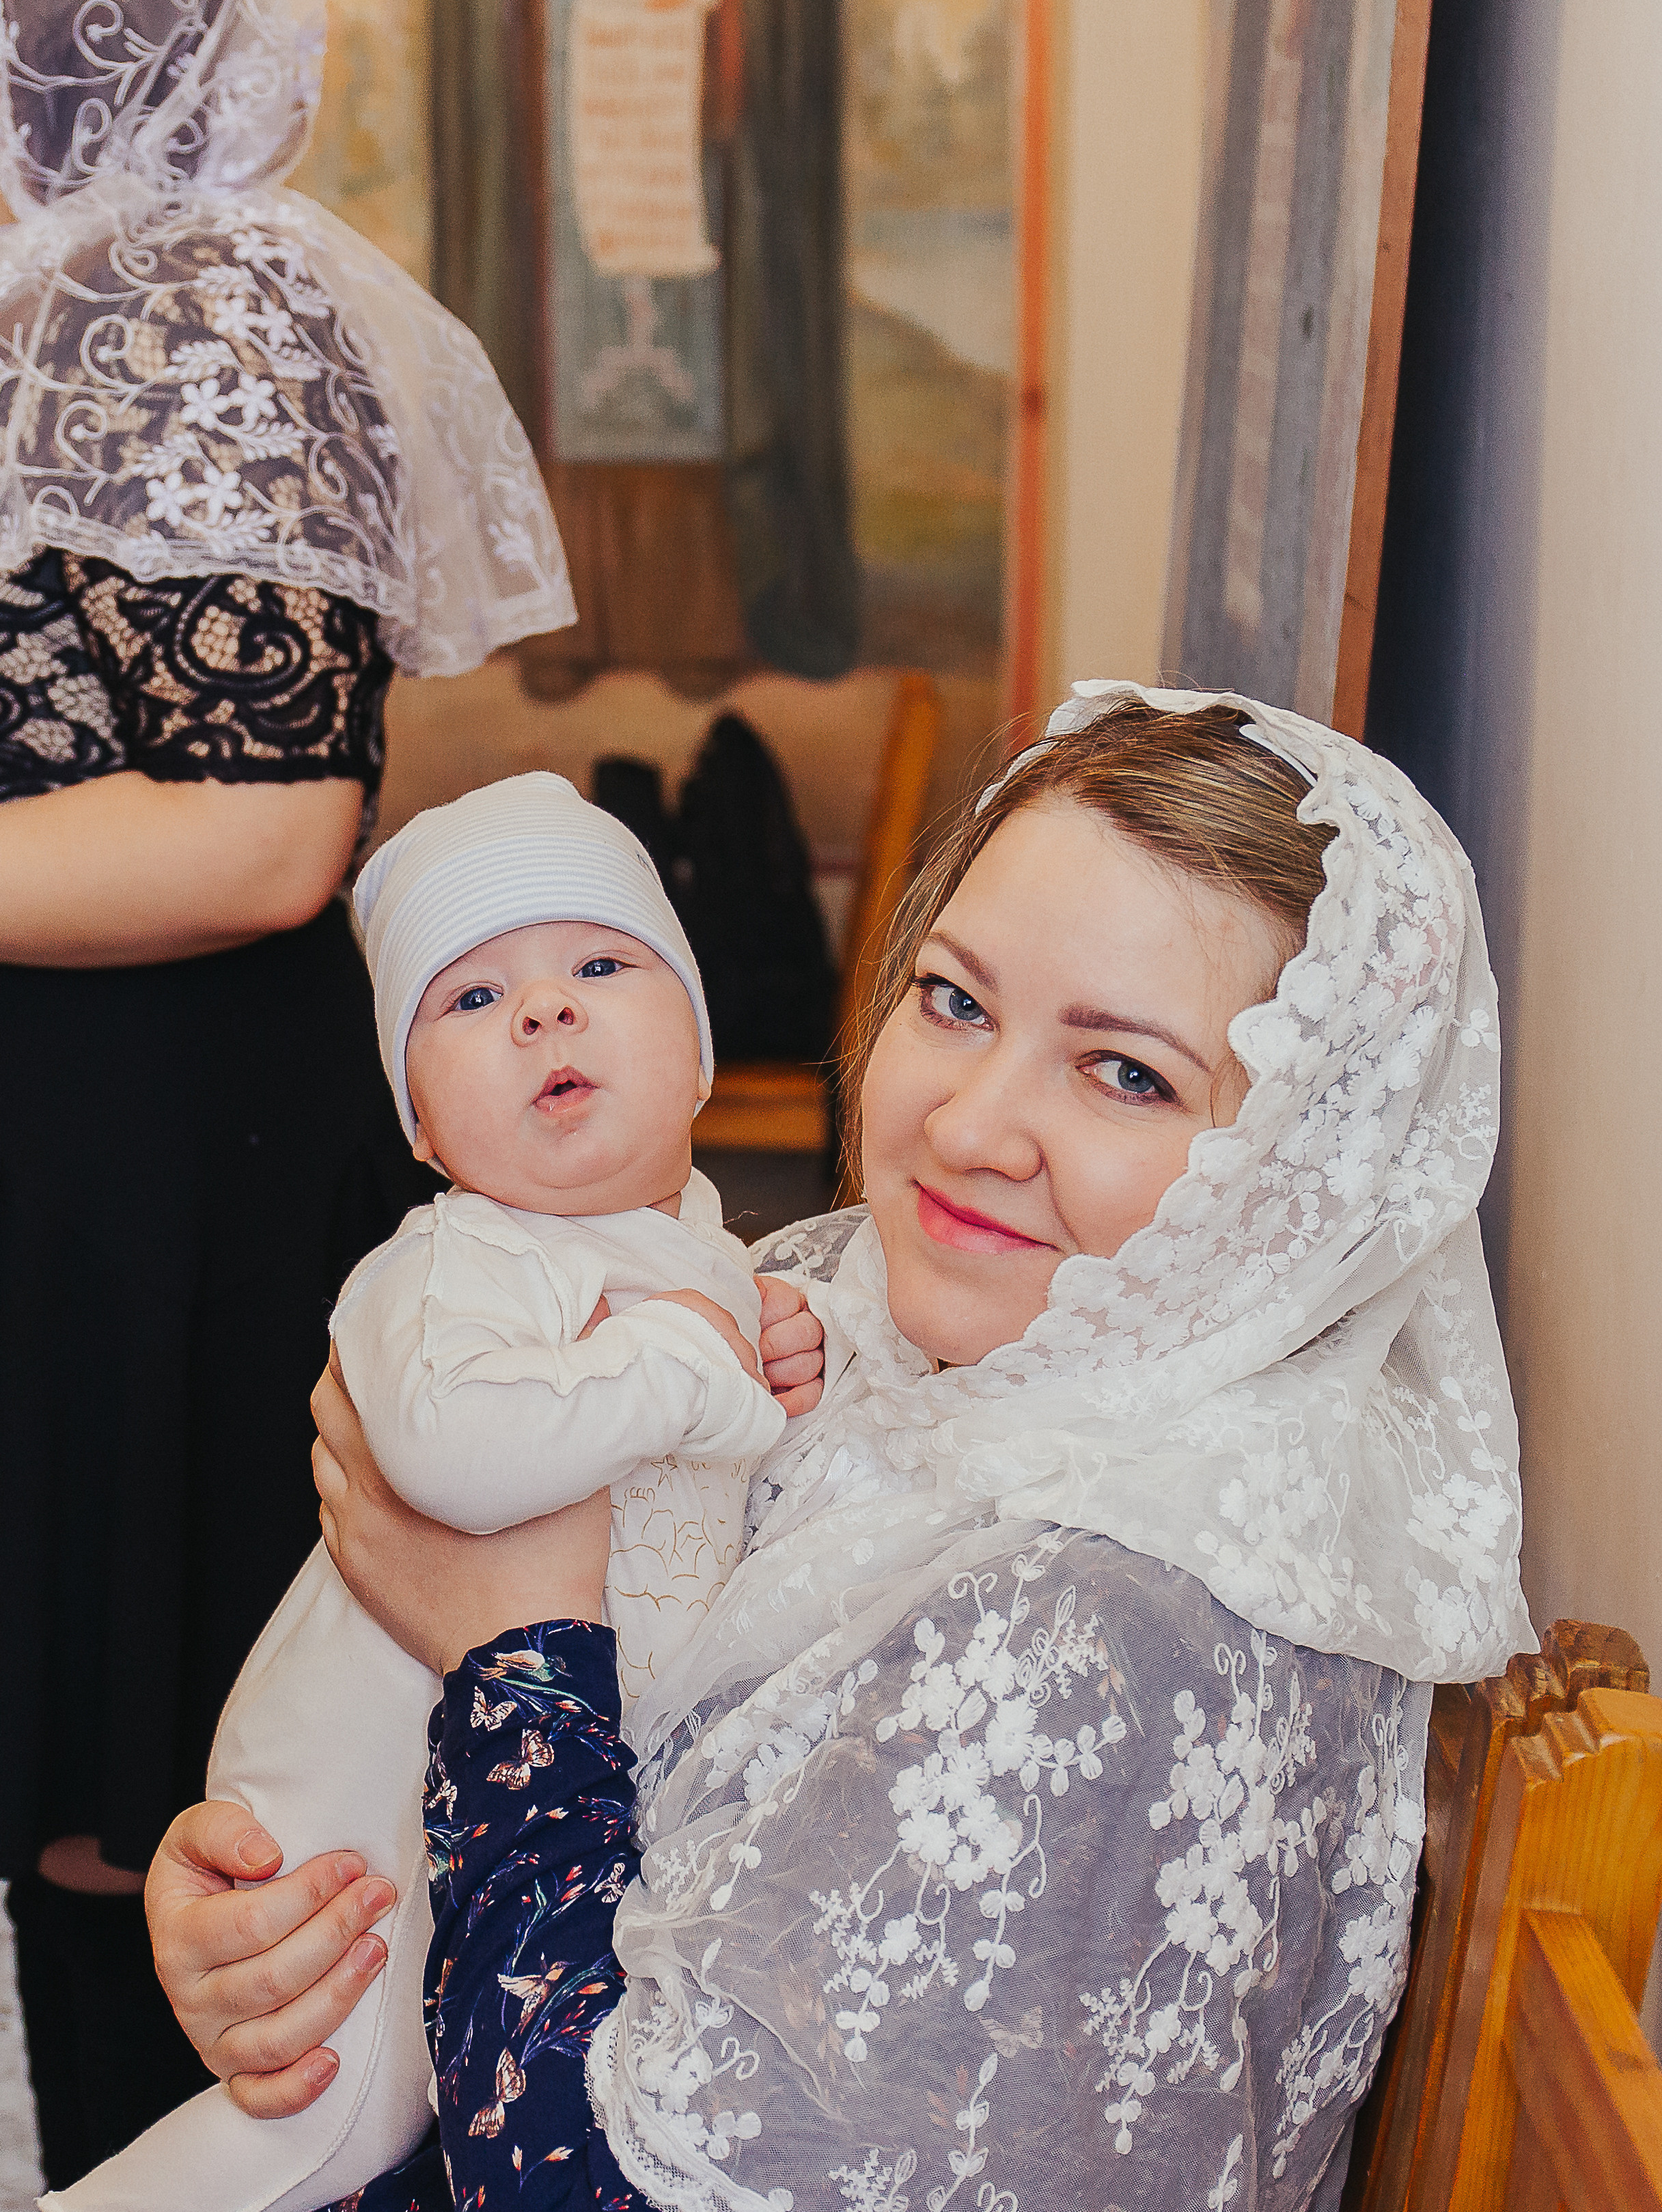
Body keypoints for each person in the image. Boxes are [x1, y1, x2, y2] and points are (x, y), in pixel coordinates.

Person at [141, 686, 1533, 2211]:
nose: (968, 1125)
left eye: (1124, 1072)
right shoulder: (863, 1312)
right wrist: (304, 1919)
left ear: (1297, 1180)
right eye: (953, 1000)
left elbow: (573, 2189)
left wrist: (512, 1658)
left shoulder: (1102, 1629)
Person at [0, 0, 574, 2187]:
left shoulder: (190, 290)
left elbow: (264, 814)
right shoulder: (66, 272)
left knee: (163, 1813)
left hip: (149, 1164)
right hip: (71, 1122)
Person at [66, 771, 799, 2211]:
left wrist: (788, 1343)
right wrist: (696, 1372)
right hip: (357, 1776)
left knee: (427, 2108)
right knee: (328, 2116)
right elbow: (451, 1457)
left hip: (509, 1765)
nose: (543, 1011)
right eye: (470, 1000)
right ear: (418, 1127)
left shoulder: (714, 1258)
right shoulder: (442, 1268)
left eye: (599, 964)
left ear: (703, 1055)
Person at [432, 0, 857, 695]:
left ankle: (702, 619)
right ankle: (563, 630)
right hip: (555, 50)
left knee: (693, 331)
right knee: (558, 328)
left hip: (698, 59)